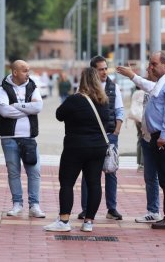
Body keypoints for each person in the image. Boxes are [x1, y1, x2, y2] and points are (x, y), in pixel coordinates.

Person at [117, 50, 165, 229]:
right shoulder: (164, 81)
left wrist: (163, 136)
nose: (151, 67)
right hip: (161, 135)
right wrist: (133, 76)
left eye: (154, 64)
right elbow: (149, 86)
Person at [44, 67, 109, 232]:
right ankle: (88, 222)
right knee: (94, 183)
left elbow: (59, 115)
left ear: (82, 81)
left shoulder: (75, 99)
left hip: (76, 147)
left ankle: (64, 221)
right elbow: (108, 123)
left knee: (67, 183)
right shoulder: (103, 100)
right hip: (98, 147)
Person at [0, 59, 46, 218]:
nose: (28, 73)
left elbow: (38, 107)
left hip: (29, 138)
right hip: (9, 137)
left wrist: (17, 106)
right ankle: (17, 204)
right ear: (15, 72)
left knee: (34, 171)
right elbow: (4, 111)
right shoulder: (3, 88)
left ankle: (35, 205)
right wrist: (27, 109)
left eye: (28, 70)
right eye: (25, 70)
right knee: (13, 172)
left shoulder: (32, 86)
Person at [78, 55, 124, 221]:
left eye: (106, 68)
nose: (104, 72)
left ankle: (112, 208)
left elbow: (119, 111)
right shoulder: (85, 89)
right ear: (93, 71)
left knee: (111, 171)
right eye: (101, 69)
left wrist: (116, 132)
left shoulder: (114, 87)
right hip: (90, 136)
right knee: (88, 172)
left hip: (110, 136)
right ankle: (86, 209)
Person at [128, 86, 145, 171]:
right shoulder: (143, 93)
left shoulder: (135, 93)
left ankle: (139, 162)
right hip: (142, 119)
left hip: (136, 118)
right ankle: (142, 162)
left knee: (139, 138)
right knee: (144, 139)